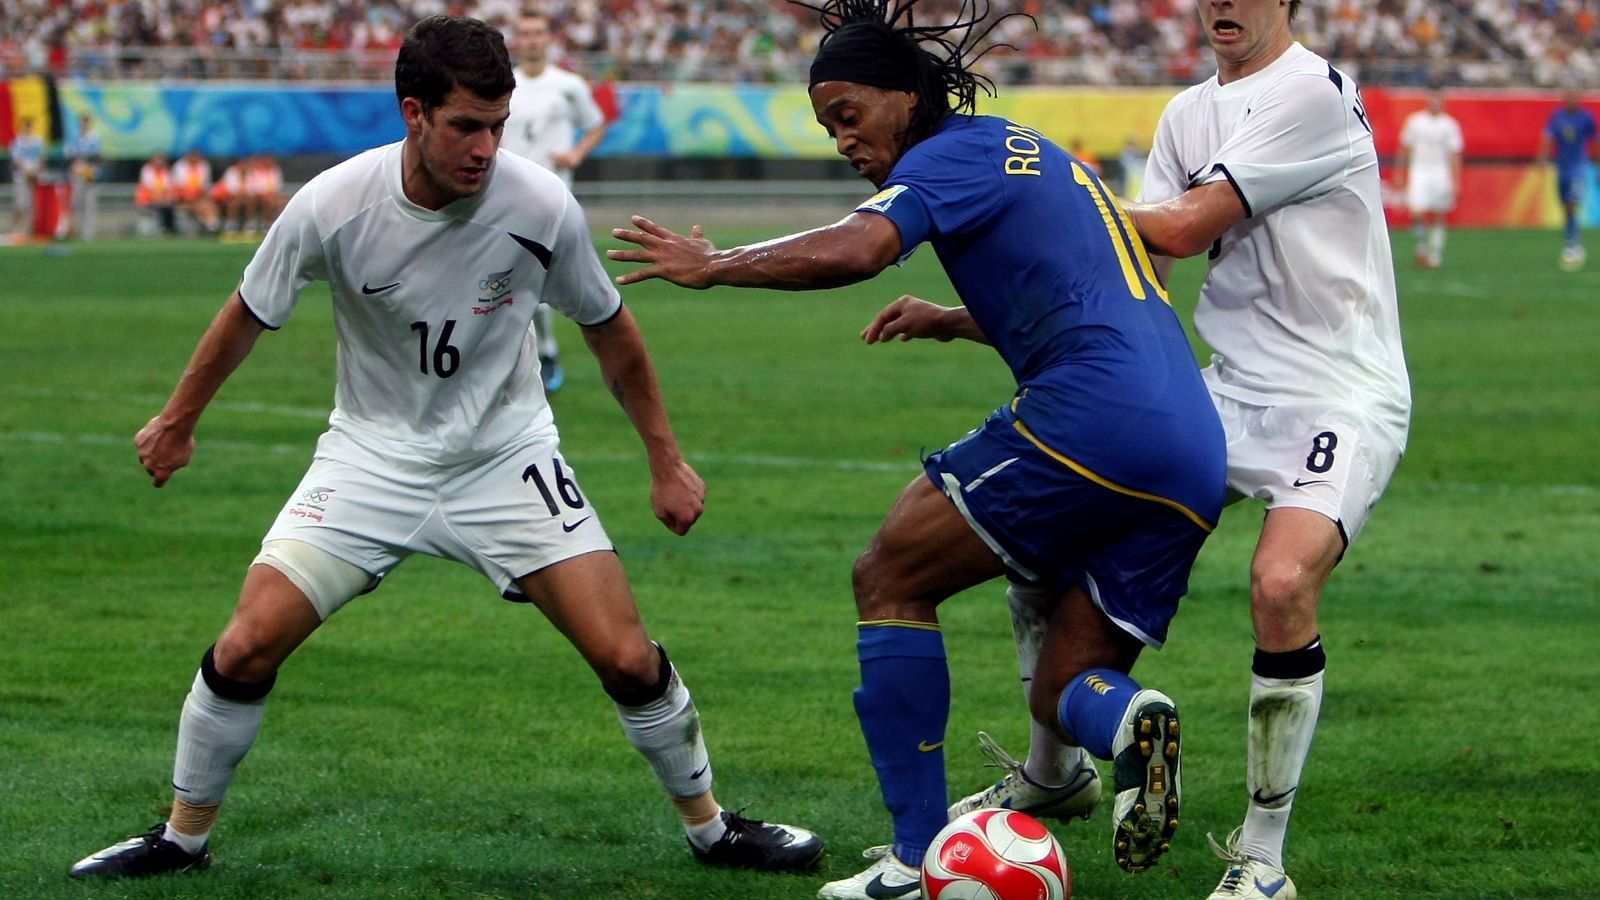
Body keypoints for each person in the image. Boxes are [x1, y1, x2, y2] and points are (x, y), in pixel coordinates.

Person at [68, 14, 823, 882]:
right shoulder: (332, 204)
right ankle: (181, 840)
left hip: (506, 457)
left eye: (498, 126)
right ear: (413, 112)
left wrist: (665, 458)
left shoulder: (540, 204)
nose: (486, 148)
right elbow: (248, 312)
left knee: (625, 654)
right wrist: (177, 419)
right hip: (370, 459)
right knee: (244, 646)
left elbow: (610, 329)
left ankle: (712, 828)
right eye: (467, 125)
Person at [609, 1, 1227, 897]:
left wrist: (718, 264)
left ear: (906, 97)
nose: (841, 141)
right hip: (1188, 447)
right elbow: (1079, 292)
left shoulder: (949, 155)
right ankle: (1132, 718)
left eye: (848, 115)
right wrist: (950, 320)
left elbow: (860, 247)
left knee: (890, 578)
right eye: (827, 127)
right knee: (1066, 683)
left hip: (1092, 417)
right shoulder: (1027, 146)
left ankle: (913, 858)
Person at [952, 3, 1411, 898]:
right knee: (1050, 530)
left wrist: (1055, 195)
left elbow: (1183, 225)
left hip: (1339, 393)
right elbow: (1137, 274)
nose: (1222, 6)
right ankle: (1057, 774)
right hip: (1225, 387)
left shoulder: (1312, 92)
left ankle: (1263, 857)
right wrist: (972, 319)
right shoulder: (1186, 112)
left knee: (1281, 585)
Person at [501, 10, 613, 393]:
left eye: (537, 33)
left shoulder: (568, 85)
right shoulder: (504, 84)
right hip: (506, 195)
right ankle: (537, 352)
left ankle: (543, 353)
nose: (532, 40)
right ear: (516, 40)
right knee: (514, 281)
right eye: (525, 33)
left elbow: (597, 122)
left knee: (534, 281)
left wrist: (577, 152)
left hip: (553, 197)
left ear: (548, 39)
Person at [1396, 87, 1462, 269]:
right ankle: (1422, 247)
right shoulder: (1415, 121)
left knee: (1439, 214)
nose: (1435, 102)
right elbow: (1405, 148)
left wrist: (1456, 179)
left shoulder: (1449, 125)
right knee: (1417, 212)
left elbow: (1455, 153)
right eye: (1433, 98)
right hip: (1419, 172)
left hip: (1440, 172)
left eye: (1439, 99)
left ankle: (1435, 254)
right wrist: (1400, 172)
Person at [1537, 88, 1597, 271]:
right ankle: (1572, 241)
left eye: (1574, 97)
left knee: (1572, 203)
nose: (1571, 100)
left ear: (1579, 99)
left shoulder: (1587, 118)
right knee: (1566, 207)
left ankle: (1573, 245)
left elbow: (1595, 141)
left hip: (1578, 168)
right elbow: (1548, 137)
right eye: (1568, 97)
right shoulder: (1557, 116)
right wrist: (1543, 158)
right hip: (1561, 168)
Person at [65, 115, 103, 240]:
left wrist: (91, 170)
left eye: (86, 123)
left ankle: (88, 233)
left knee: (90, 203)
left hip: (90, 171)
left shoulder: (95, 138)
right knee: (75, 203)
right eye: (82, 123)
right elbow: (70, 155)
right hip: (77, 171)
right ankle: (73, 230)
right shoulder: (74, 137)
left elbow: (97, 157)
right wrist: (77, 167)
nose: (84, 125)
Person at [8, 116, 45, 235]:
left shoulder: (38, 141)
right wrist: (27, 171)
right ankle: (16, 230)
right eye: (26, 125)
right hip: (21, 176)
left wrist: (36, 171)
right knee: (20, 204)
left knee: (32, 205)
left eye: (30, 125)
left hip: (34, 175)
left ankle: (30, 230)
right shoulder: (17, 142)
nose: (28, 128)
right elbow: (17, 160)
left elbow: (41, 159)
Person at [172, 148, 222, 234]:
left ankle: (211, 224)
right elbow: (178, 185)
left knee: (209, 205)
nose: (196, 160)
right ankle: (211, 225)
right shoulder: (179, 166)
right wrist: (189, 194)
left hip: (198, 196)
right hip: (182, 196)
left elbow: (205, 184)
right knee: (201, 204)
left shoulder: (203, 166)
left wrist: (201, 194)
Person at [135, 152, 177, 235]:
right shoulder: (147, 170)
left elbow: (169, 187)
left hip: (162, 200)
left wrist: (167, 198)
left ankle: (169, 228)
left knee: (169, 205)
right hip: (147, 200)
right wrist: (159, 199)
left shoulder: (165, 171)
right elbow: (149, 188)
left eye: (161, 161)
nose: (159, 163)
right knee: (161, 205)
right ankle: (162, 228)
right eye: (157, 160)